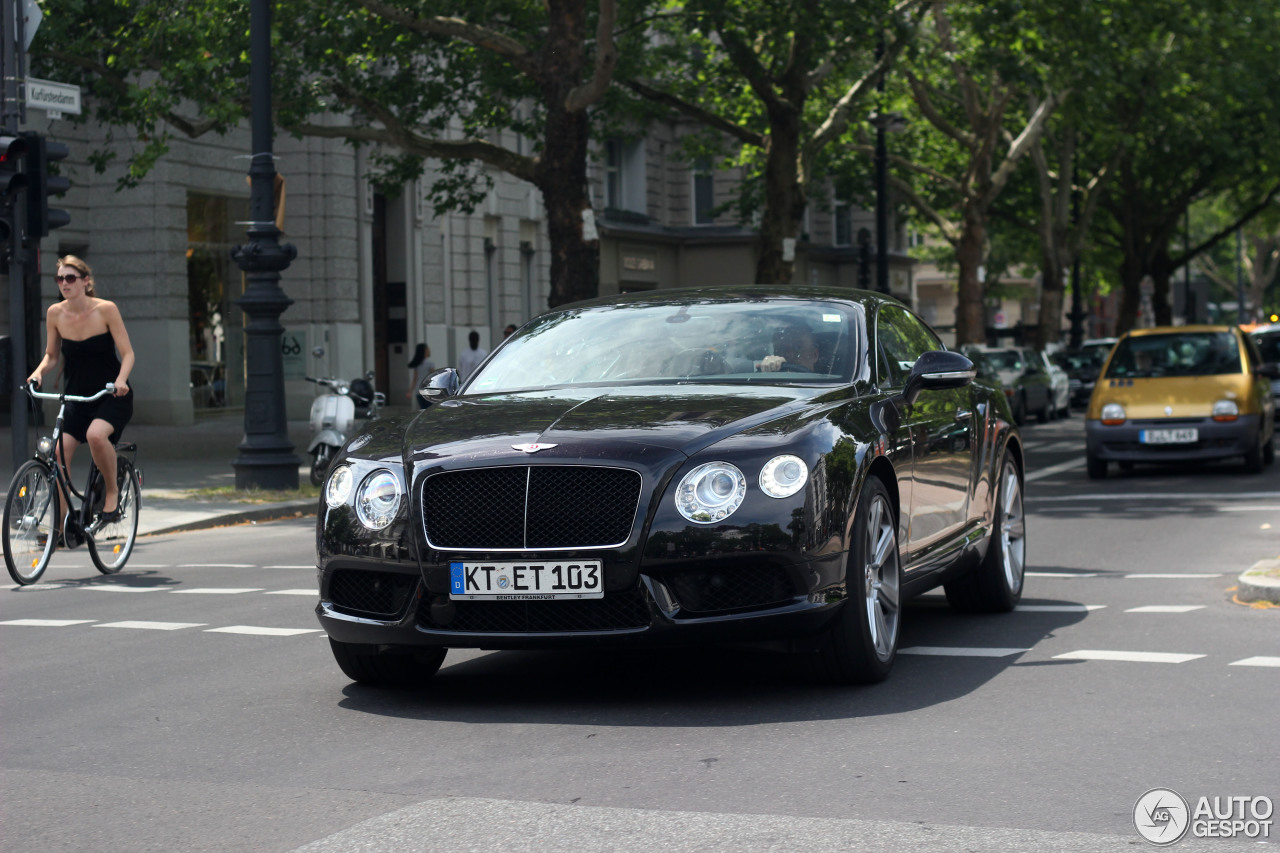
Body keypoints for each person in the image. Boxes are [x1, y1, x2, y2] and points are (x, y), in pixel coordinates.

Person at [27, 256, 136, 531]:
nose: (64, 283)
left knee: (96, 435)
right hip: (77, 397)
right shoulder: (55, 313)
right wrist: (39, 372)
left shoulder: (106, 310)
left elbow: (128, 353)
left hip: (111, 394)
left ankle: (111, 493)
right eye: (60, 279)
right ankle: (62, 528)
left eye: (70, 278)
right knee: (58, 454)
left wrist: (122, 380)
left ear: (86, 281)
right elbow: (51, 355)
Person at [406, 343, 434, 409]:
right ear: (425, 350)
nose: (430, 350)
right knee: (429, 410)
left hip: (418, 391)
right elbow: (433, 377)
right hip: (428, 391)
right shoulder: (430, 363)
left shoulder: (417, 363)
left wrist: (410, 391)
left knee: (423, 410)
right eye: (428, 349)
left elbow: (415, 379)